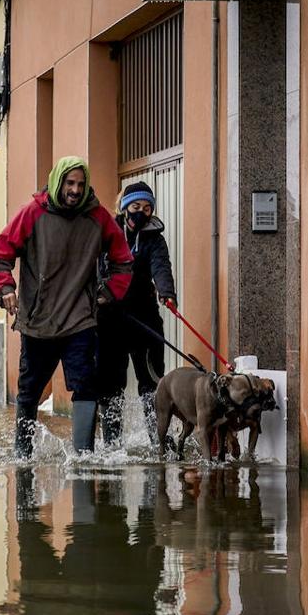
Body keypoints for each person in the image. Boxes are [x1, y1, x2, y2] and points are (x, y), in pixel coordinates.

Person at [0, 156, 134, 456]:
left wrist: (107, 293)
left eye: (81, 184)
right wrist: (4, 289)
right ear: (57, 182)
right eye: (70, 183)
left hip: (80, 320)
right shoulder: (32, 213)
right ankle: (23, 454)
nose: (76, 190)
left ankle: (84, 456)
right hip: (38, 321)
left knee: (86, 386)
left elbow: (123, 261)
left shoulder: (98, 217)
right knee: (29, 392)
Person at [95, 181, 177, 446]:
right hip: (110, 319)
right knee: (111, 383)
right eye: (135, 206)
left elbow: (161, 266)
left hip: (145, 320)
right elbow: (96, 267)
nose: (141, 212)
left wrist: (167, 292)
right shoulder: (107, 233)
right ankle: (112, 442)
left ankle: (158, 439)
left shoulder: (155, 239)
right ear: (124, 208)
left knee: (152, 382)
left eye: (147, 207)